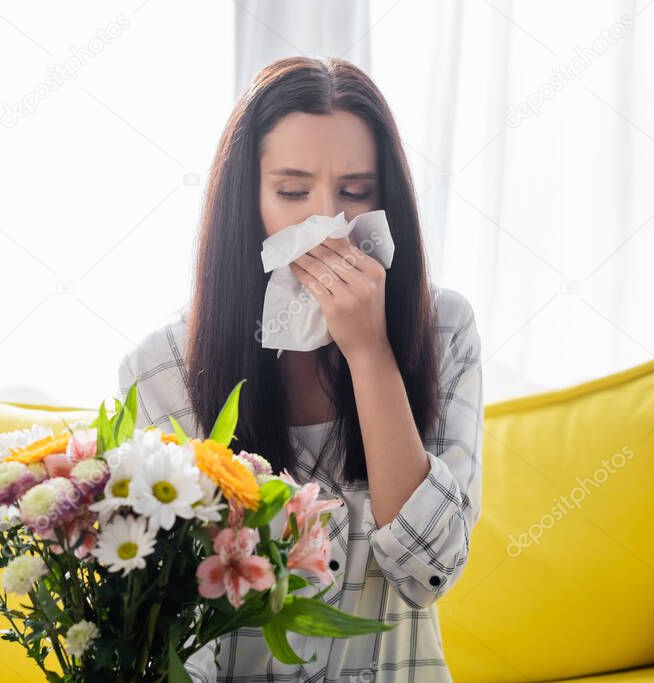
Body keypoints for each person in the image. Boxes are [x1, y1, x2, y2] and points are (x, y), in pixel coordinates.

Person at [115, 56, 483, 682]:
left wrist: (371, 355)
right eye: (292, 192)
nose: (325, 224)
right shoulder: (162, 367)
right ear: (247, 203)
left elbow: (431, 568)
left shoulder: (443, 328)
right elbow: (157, 604)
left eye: (355, 191)